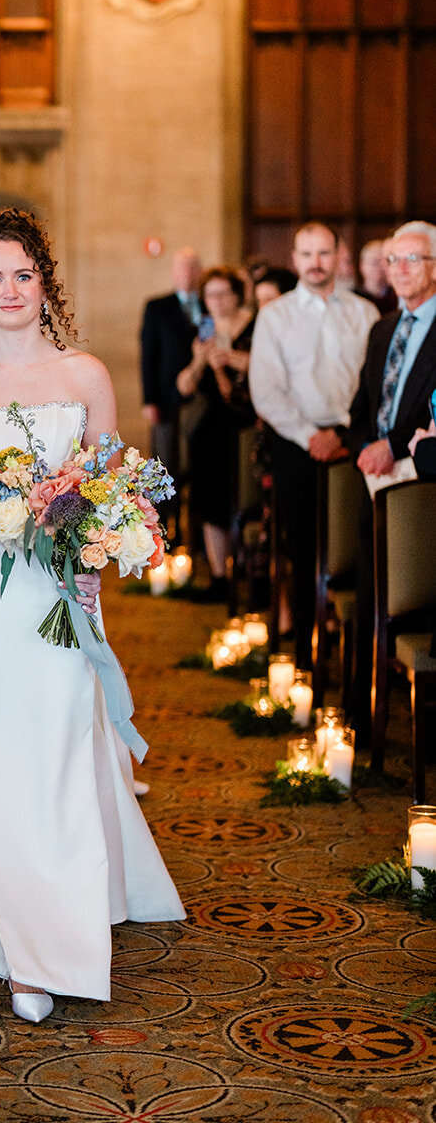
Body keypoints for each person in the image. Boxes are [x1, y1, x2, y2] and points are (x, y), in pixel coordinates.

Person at [0, 208, 185, 1024]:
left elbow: (109, 489)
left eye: (24, 275)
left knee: (47, 751)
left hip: (53, 596)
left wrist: (93, 557)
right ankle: (0, 905)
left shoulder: (85, 375)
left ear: (44, 285)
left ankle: (41, 934)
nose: (10, 290)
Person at [249, 222, 378, 674]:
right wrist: (310, 436)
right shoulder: (275, 315)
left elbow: (374, 384)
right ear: (295, 258)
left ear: (339, 255)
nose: (316, 262)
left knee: (360, 553)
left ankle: (361, 664)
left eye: (324, 252)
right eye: (307, 254)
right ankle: (305, 660)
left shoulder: (365, 314)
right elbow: (265, 389)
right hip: (294, 444)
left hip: (356, 442)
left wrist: (346, 436)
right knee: (302, 552)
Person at [345, 222, 436, 738]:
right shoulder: (383, 327)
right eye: (394, 261)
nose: (400, 270)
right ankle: (362, 717)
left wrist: (394, 448)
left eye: (414, 260)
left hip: (420, 487)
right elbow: (363, 405)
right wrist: (364, 447)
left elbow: (430, 411)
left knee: (413, 599)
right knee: (368, 594)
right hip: (373, 480)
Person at [174, 267, 255, 600]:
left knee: (244, 498)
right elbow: (183, 385)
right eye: (211, 295)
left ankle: (251, 575)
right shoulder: (201, 330)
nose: (218, 301)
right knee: (209, 499)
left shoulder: (256, 324)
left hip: (245, 423)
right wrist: (200, 360)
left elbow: (269, 365)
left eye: (224, 294)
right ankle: (220, 576)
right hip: (209, 427)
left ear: (237, 295)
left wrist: (232, 360)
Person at [139, 247, 202, 544]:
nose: (188, 273)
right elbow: (147, 355)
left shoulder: (208, 305)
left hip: (201, 400)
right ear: (175, 273)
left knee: (195, 466)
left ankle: (195, 539)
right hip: (165, 399)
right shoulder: (157, 306)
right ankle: (164, 534)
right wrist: (149, 400)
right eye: (183, 268)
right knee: (164, 466)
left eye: (193, 268)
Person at [356, 238, 398, 314]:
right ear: (362, 266)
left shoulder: (397, 297)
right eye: (374, 263)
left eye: (385, 262)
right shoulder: (353, 298)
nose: (380, 268)